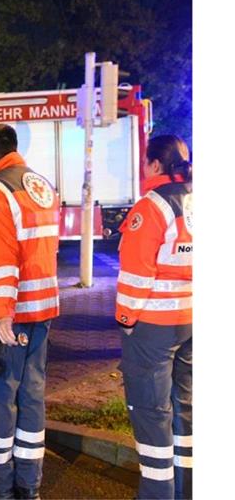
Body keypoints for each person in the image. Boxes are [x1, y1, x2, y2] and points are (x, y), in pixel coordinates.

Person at [0, 124, 60, 500]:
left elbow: (2, 258)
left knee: (1, 396)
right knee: (32, 394)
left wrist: (3, 312)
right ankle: (27, 484)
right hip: (43, 306)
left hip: (14, 311)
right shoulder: (39, 182)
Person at [115, 135, 192, 500]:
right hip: (195, 320)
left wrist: (126, 319)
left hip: (155, 327)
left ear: (155, 165)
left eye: (146, 162)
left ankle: (158, 494)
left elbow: (136, 273)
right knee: (185, 407)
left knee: (150, 412)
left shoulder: (153, 205)